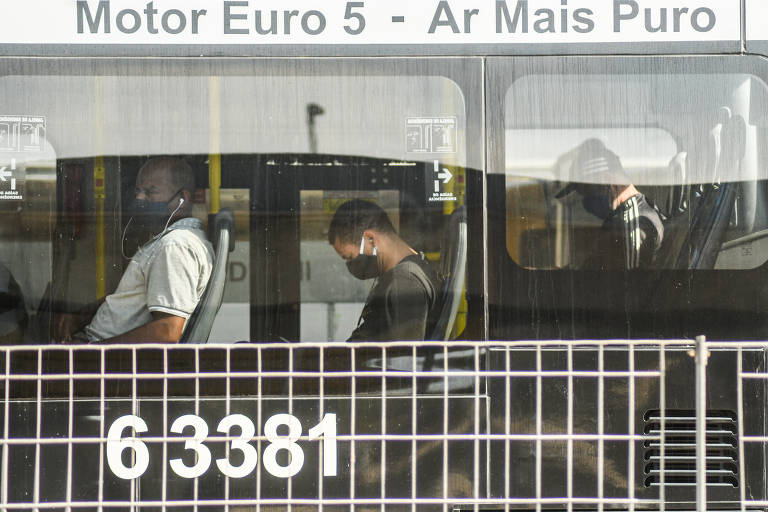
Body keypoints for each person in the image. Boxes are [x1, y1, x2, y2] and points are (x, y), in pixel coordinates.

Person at [54, 157, 213, 343]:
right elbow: (133, 299)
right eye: (138, 191)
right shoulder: (171, 241)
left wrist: (95, 352)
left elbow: (167, 332)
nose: (139, 199)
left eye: (150, 192)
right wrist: (81, 317)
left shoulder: (174, 246)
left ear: (183, 199)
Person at [328, 199, 440, 341]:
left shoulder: (405, 281)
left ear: (370, 239)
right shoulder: (407, 273)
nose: (350, 265)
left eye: (349, 257)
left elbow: (402, 358)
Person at [556, 138, 665, 269]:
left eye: (586, 191)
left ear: (605, 180)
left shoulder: (633, 223)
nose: (586, 201)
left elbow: (627, 284)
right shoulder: (620, 219)